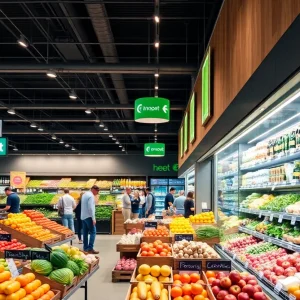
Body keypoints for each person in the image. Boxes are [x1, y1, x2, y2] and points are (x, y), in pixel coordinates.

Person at [81, 185, 99, 254]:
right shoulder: (91, 196)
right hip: (89, 217)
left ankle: (85, 248)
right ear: (93, 190)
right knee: (93, 232)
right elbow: (90, 208)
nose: (97, 193)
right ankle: (90, 248)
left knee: (85, 233)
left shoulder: (85, 194)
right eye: (97, 191)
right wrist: (93, 218)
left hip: (83, 216)